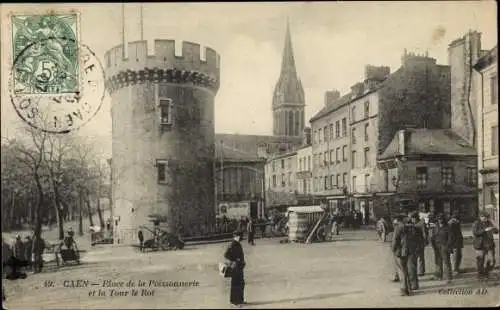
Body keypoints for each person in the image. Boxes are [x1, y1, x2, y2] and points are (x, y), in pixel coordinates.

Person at [472, 211, 499, 280]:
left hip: (489, 245)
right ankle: (480, 275)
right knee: (480, 261)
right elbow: (475, 233)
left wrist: (494, 225)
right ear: (481, 217)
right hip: (480, 245)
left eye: (487, 217)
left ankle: (487, 272)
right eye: (485, 217)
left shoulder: (489, 223)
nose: (486, 218)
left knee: (492, 260)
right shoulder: (476, 223)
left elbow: (496, 231)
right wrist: (485, 230)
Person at [391, 214, 412, 296]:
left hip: (400, 252)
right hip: (407, 250)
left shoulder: (398, 228)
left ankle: (404, 289)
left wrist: (393, 249)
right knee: (405, 269)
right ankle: (409, 288)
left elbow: (395, 240)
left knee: (402, 271)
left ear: (397, 220)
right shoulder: (407, 227)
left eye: (394, 219)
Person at [224, 231, 246, 307]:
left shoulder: (237, 243)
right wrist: (235, 260)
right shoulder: (232, 244)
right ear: (236, 236)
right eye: (240, 236)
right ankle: (234, 301)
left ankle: (240, 300)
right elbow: (226, 254)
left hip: (239, 267)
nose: (241, 238)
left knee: (241, 283)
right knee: (235, 284)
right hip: (235, 267)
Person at [431, 214, 453, 283]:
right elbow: (433, 237)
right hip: (437, 247)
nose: (440, 220)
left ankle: (448, 278)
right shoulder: (435, 227)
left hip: (444, 246)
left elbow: (450, 238)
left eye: (441, 219)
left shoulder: (448, 227)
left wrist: (447, 246)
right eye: (439, 219)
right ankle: (439, 276)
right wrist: (433, 245)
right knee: (438, 262)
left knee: (446, 262)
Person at [448, 210, 464, 275]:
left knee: (458, 256)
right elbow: (451, 234)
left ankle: (457, 268)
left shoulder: (456, 223)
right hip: (454, 242)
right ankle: (455, 269)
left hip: (458, 242)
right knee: (455, 256)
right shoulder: (451, 223)